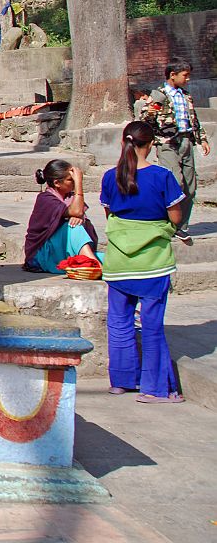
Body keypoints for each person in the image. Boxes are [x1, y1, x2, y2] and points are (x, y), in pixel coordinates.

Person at [99, 120, 186, 404]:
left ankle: (121, 381)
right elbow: (175, 217)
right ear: (149, 144)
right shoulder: (163, 176)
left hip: (119, 261)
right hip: (153, 261)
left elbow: (110, 214)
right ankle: (155, 388)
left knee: (119, 322)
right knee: (151, 324)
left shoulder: (111, 177)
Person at [140, 59, 210, 243]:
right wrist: (153, 106)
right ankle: (166, 221)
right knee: (175, 182)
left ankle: (181, 226)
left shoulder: (185, 95)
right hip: (168, 143)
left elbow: (193, 119)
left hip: (186, 141)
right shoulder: (159, 95)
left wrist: (202, 139)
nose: (187, 79)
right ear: (173, 75)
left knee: (190, 186)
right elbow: (145, 117)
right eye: (185, 75)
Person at [23, 159, 99, 273]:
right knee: (74, 226)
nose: (73, 182)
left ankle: (91, 262)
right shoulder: (45, 199)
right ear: (57, 183)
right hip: (41, 254)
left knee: (105, 258)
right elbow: (77, 211)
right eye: (70, 180)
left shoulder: (71, 198)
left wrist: (79, 218)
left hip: (63, 249)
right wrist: (79, 183)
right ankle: (94, 264)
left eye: (74, 180)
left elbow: (78, 214)